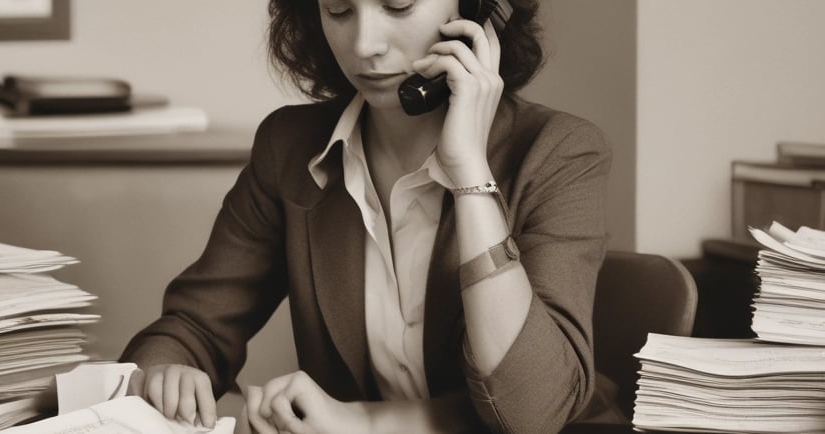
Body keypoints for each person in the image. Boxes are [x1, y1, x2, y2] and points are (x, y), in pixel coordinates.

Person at [121, 0, 616, 432]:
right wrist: (170, 371)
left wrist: (469, 170)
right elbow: (193, 327)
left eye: (398, 6)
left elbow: (531, 413)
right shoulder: (289, 148)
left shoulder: (560, 152)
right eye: (338, 9)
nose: (364, 45)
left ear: (478, 10)